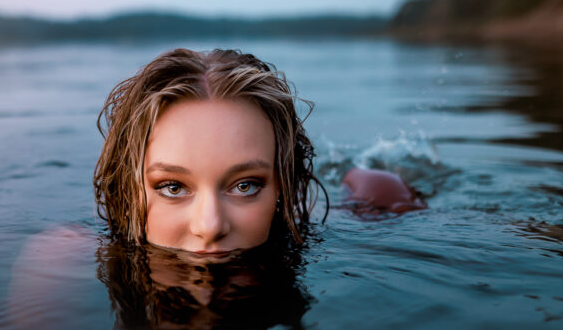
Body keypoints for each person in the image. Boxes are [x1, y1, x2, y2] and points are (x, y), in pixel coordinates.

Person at [93, 48, 425, 256]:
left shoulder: (365, 217)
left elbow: (373, 185)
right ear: (128, 189)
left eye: (245, 185)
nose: (209, 226)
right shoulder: (71, 251)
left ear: (283, 185)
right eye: (172, 187)